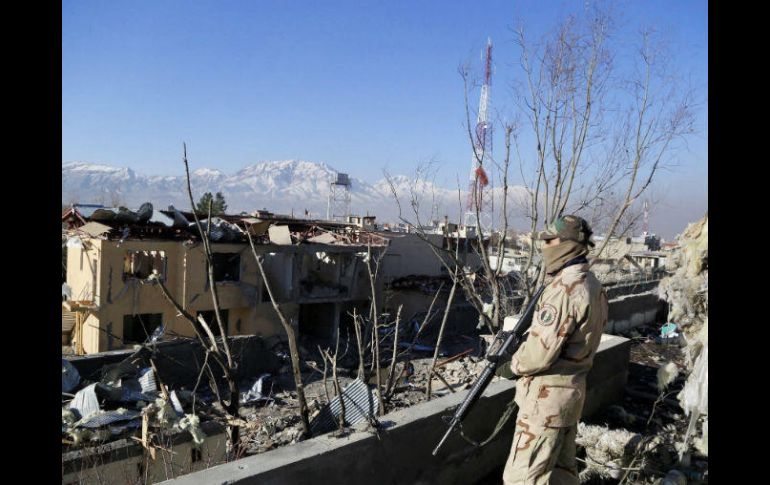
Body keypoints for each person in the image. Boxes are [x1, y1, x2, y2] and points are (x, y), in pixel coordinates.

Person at [502, 215, 609, 485]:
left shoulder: (563, 289)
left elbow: (539, 356)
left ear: (570, 244)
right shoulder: (593, 286)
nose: (544, 246)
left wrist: (510, 365)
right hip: (569, 399)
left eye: (550, 240)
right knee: (562, 477)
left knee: (521, 479)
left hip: (544, 405)